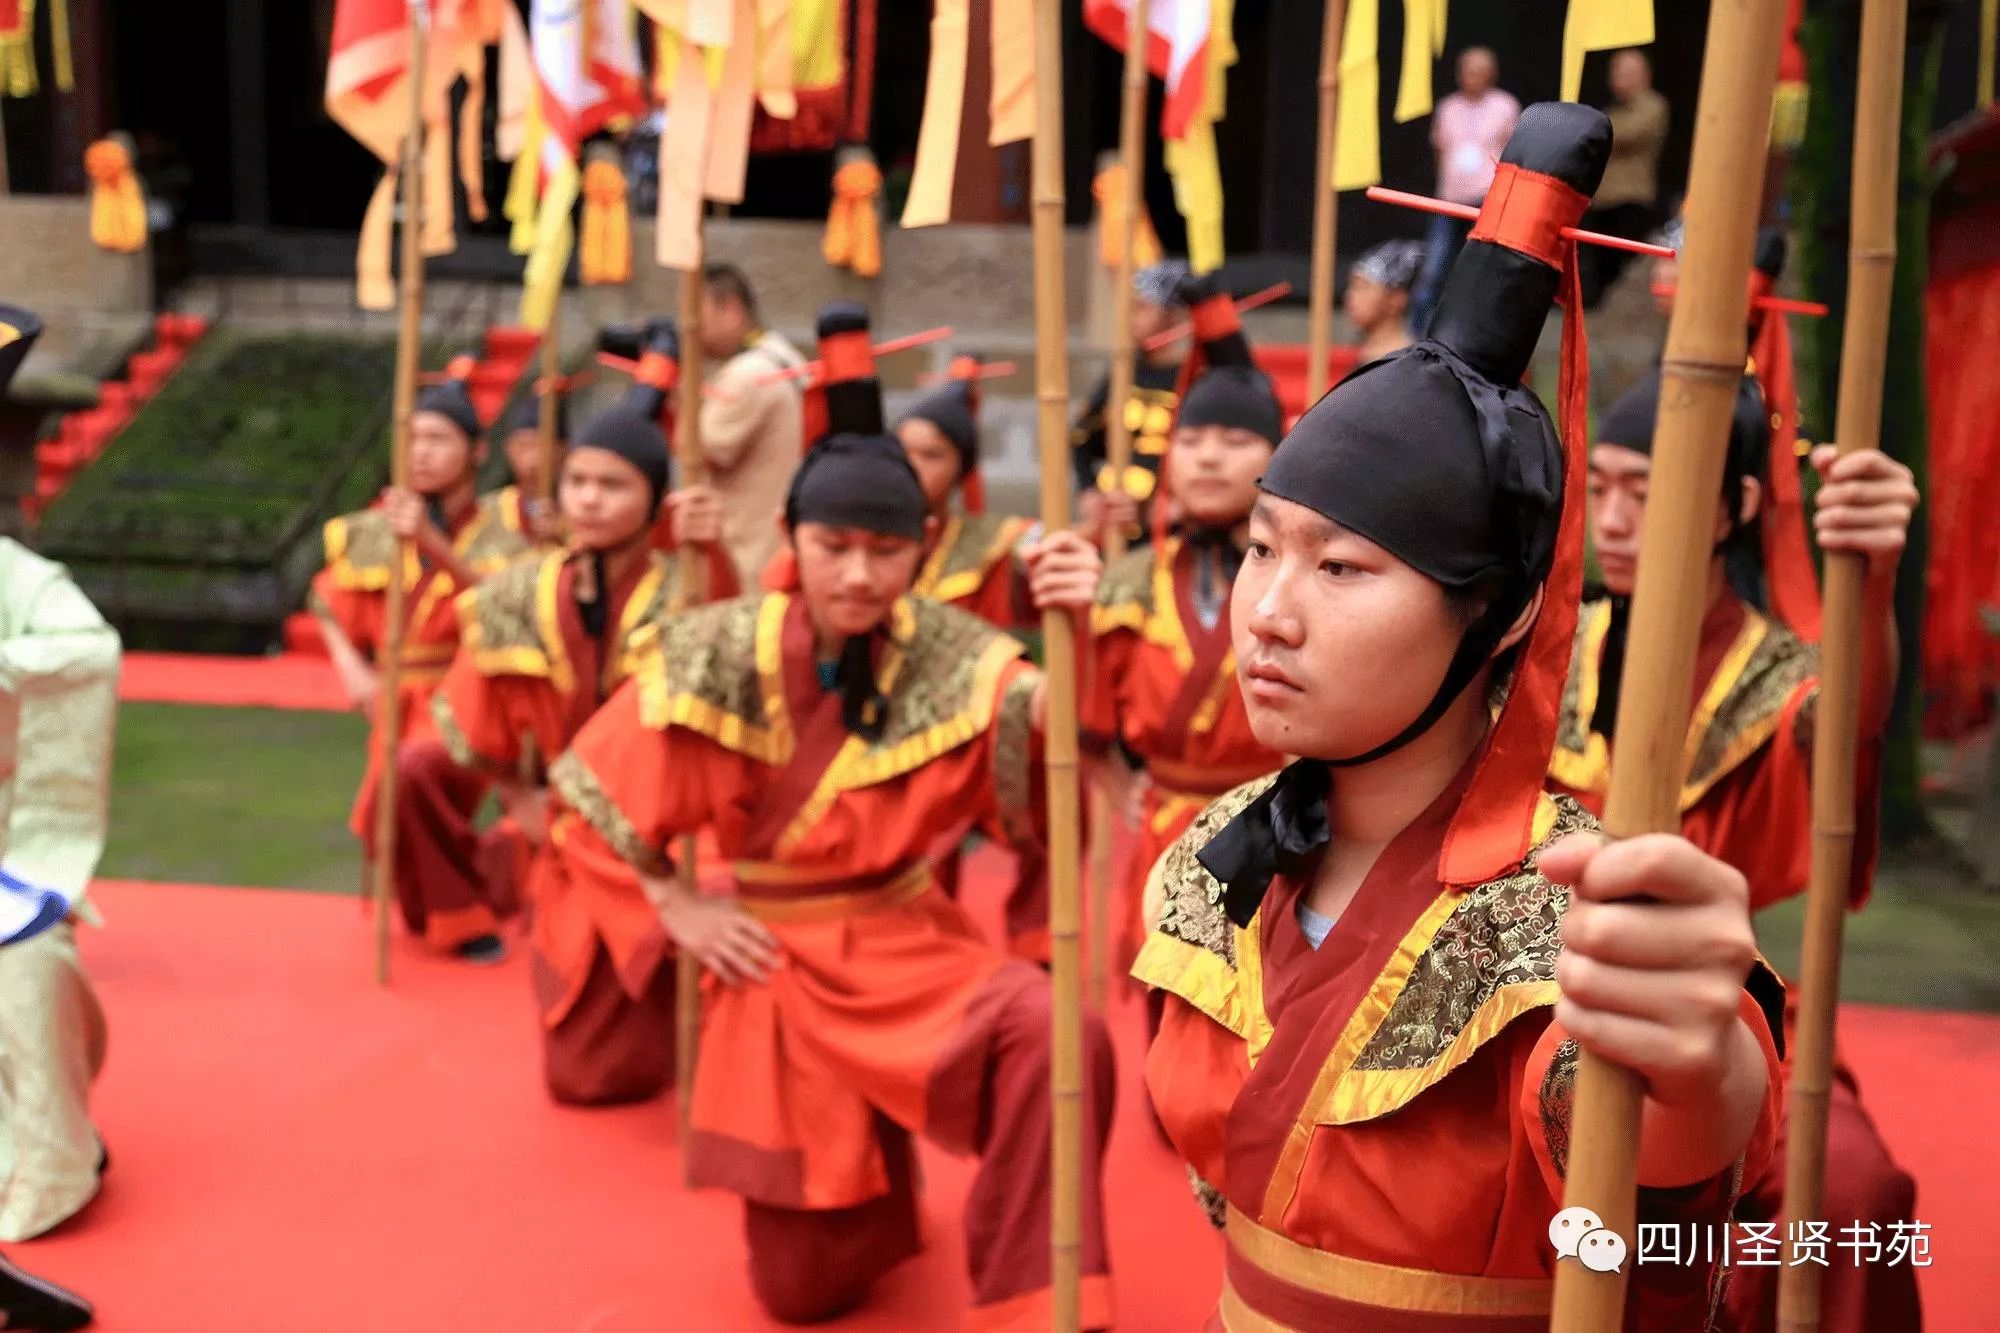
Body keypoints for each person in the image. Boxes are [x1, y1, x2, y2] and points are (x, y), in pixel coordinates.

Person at [1134, 103, 1787, 1328]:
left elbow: (1667, 1138)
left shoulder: (1576, 912)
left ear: (1491, 618)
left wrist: (1706, 1066)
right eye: (1264, 550)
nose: (1266, 612)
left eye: (1340, 570)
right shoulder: (1214, 850)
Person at [544, 397, 1117, 1326]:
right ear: (790, 536)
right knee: (804, 1291)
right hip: (773, 958)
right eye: (833, 547)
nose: (858, 575)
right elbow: (587, 788)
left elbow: (1051, 730)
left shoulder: (951, 649)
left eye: (886, 552)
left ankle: (1039, 1299)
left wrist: (1073, 620)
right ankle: (874, 1194)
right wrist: (677, 901)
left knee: (1061, 1033)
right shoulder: (718, 651)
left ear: (924, 545)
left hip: (906, 945)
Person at [1563, 370, 1923, 1333]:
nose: (1617, 519)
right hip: (1540, 996)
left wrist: (1872, 572)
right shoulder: (1554, 648)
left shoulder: (1779, 677)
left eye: (1650, 489)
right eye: (1601, 488)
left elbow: (1848, 718)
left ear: (1741, 506)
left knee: (1846, 1194)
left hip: (1734, 1004)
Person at [426, 403, 732, 1099]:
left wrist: (716, 554)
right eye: (578, 481)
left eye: (614, 484)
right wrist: (519, 795)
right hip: (573, 831)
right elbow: (478, 715)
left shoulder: (685, 591)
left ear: (655, 498)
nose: (590, 499)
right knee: (586, 1079)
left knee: (724, 919)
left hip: (672, 826)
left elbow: (734, 669)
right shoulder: (519, 593)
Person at [1084, 273, 1285, 977]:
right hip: (1158, 835)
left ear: (1273, 457)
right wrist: (1117, 783)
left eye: (1234, 440)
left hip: (1272, 831)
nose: (1206, 455)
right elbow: (1088, 716)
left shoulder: (1301, 579)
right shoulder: (1132, 578)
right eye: (1192, 438)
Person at [310, 362, 534, 954]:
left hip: (472, 690)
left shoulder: (507, 536)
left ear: (476, 451)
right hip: (394, 691)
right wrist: (354, 672)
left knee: (414, 777)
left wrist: (434, 546)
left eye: (439, 440)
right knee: (399, 811)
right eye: (412, 440)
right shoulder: (371, 529)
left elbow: (505, 611)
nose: (422, 453)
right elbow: (327, 600)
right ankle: (454, 901)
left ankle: (460, 914)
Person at [893, 356, 1052, 957]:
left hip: (978, 723)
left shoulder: (995, 541)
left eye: (931, 455)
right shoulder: (874, 537)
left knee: (1053, 803)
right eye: (904, 450)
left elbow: (1042, 551)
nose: (912, 467)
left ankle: (1037, 949)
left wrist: (1085, 532)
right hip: (898, 726)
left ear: (962, 469)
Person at [0, 531, 117, 1250]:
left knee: (27, 959)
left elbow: (88, 650)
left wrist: (4, 674)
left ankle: (47, 1162)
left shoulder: (18, 577)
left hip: (7, 845)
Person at [694, 263, 808, 584]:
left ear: (730, 308)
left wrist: (672, 389)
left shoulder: (748, 374)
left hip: (746, 557)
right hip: (776, 544)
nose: (687, 328)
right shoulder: (784, 357)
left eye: (694, 313)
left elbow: (699, 450)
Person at [1072, 260, 1190, 536]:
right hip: (1115, 520)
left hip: (1168, 524)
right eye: (1131, 308)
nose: (1132, 317)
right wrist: (1088, 491)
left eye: (1143, 308)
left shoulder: (1193, 376)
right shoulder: (1124, 371)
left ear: (1171, 315)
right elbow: (1081, 435)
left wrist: (1177, 506)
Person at [1410, 47, 1521, 331]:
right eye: (1468, 69)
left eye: (1480, 70)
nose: (1474, 76)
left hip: (1488, 200)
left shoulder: (1505, 105)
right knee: (1434, 269)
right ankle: (1418, 335)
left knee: (1486, 269)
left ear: (1491, 74)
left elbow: (1515, 153)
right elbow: (1439, 151)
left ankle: (1483, 333)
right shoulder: (1448, 107)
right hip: (1449, 200)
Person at [1581, 48, 1669, 308]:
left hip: (1630, 201)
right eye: (1616, 71)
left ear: (1644, 75)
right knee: (1595, 269)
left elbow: (1620, 134)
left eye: (1627, 71)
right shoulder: (1612, 110)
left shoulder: (1653, 106)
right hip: (1602, 201)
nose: (1619, 77)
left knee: (1619, 269)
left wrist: (1591, 128)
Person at [491, 395, 571, 547]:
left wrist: (563, 535)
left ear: (563, 450)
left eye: (541, 446)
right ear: (509, 449)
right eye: (523, 446)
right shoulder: (488, 512)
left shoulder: (581, 510)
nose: (532, 457)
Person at [1343, 240, 1424, 362]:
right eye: (1352, 286)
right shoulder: (1356, 356)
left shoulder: (1407, 365)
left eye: (1363, 287)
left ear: (1396, 299)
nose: (1351, 296)